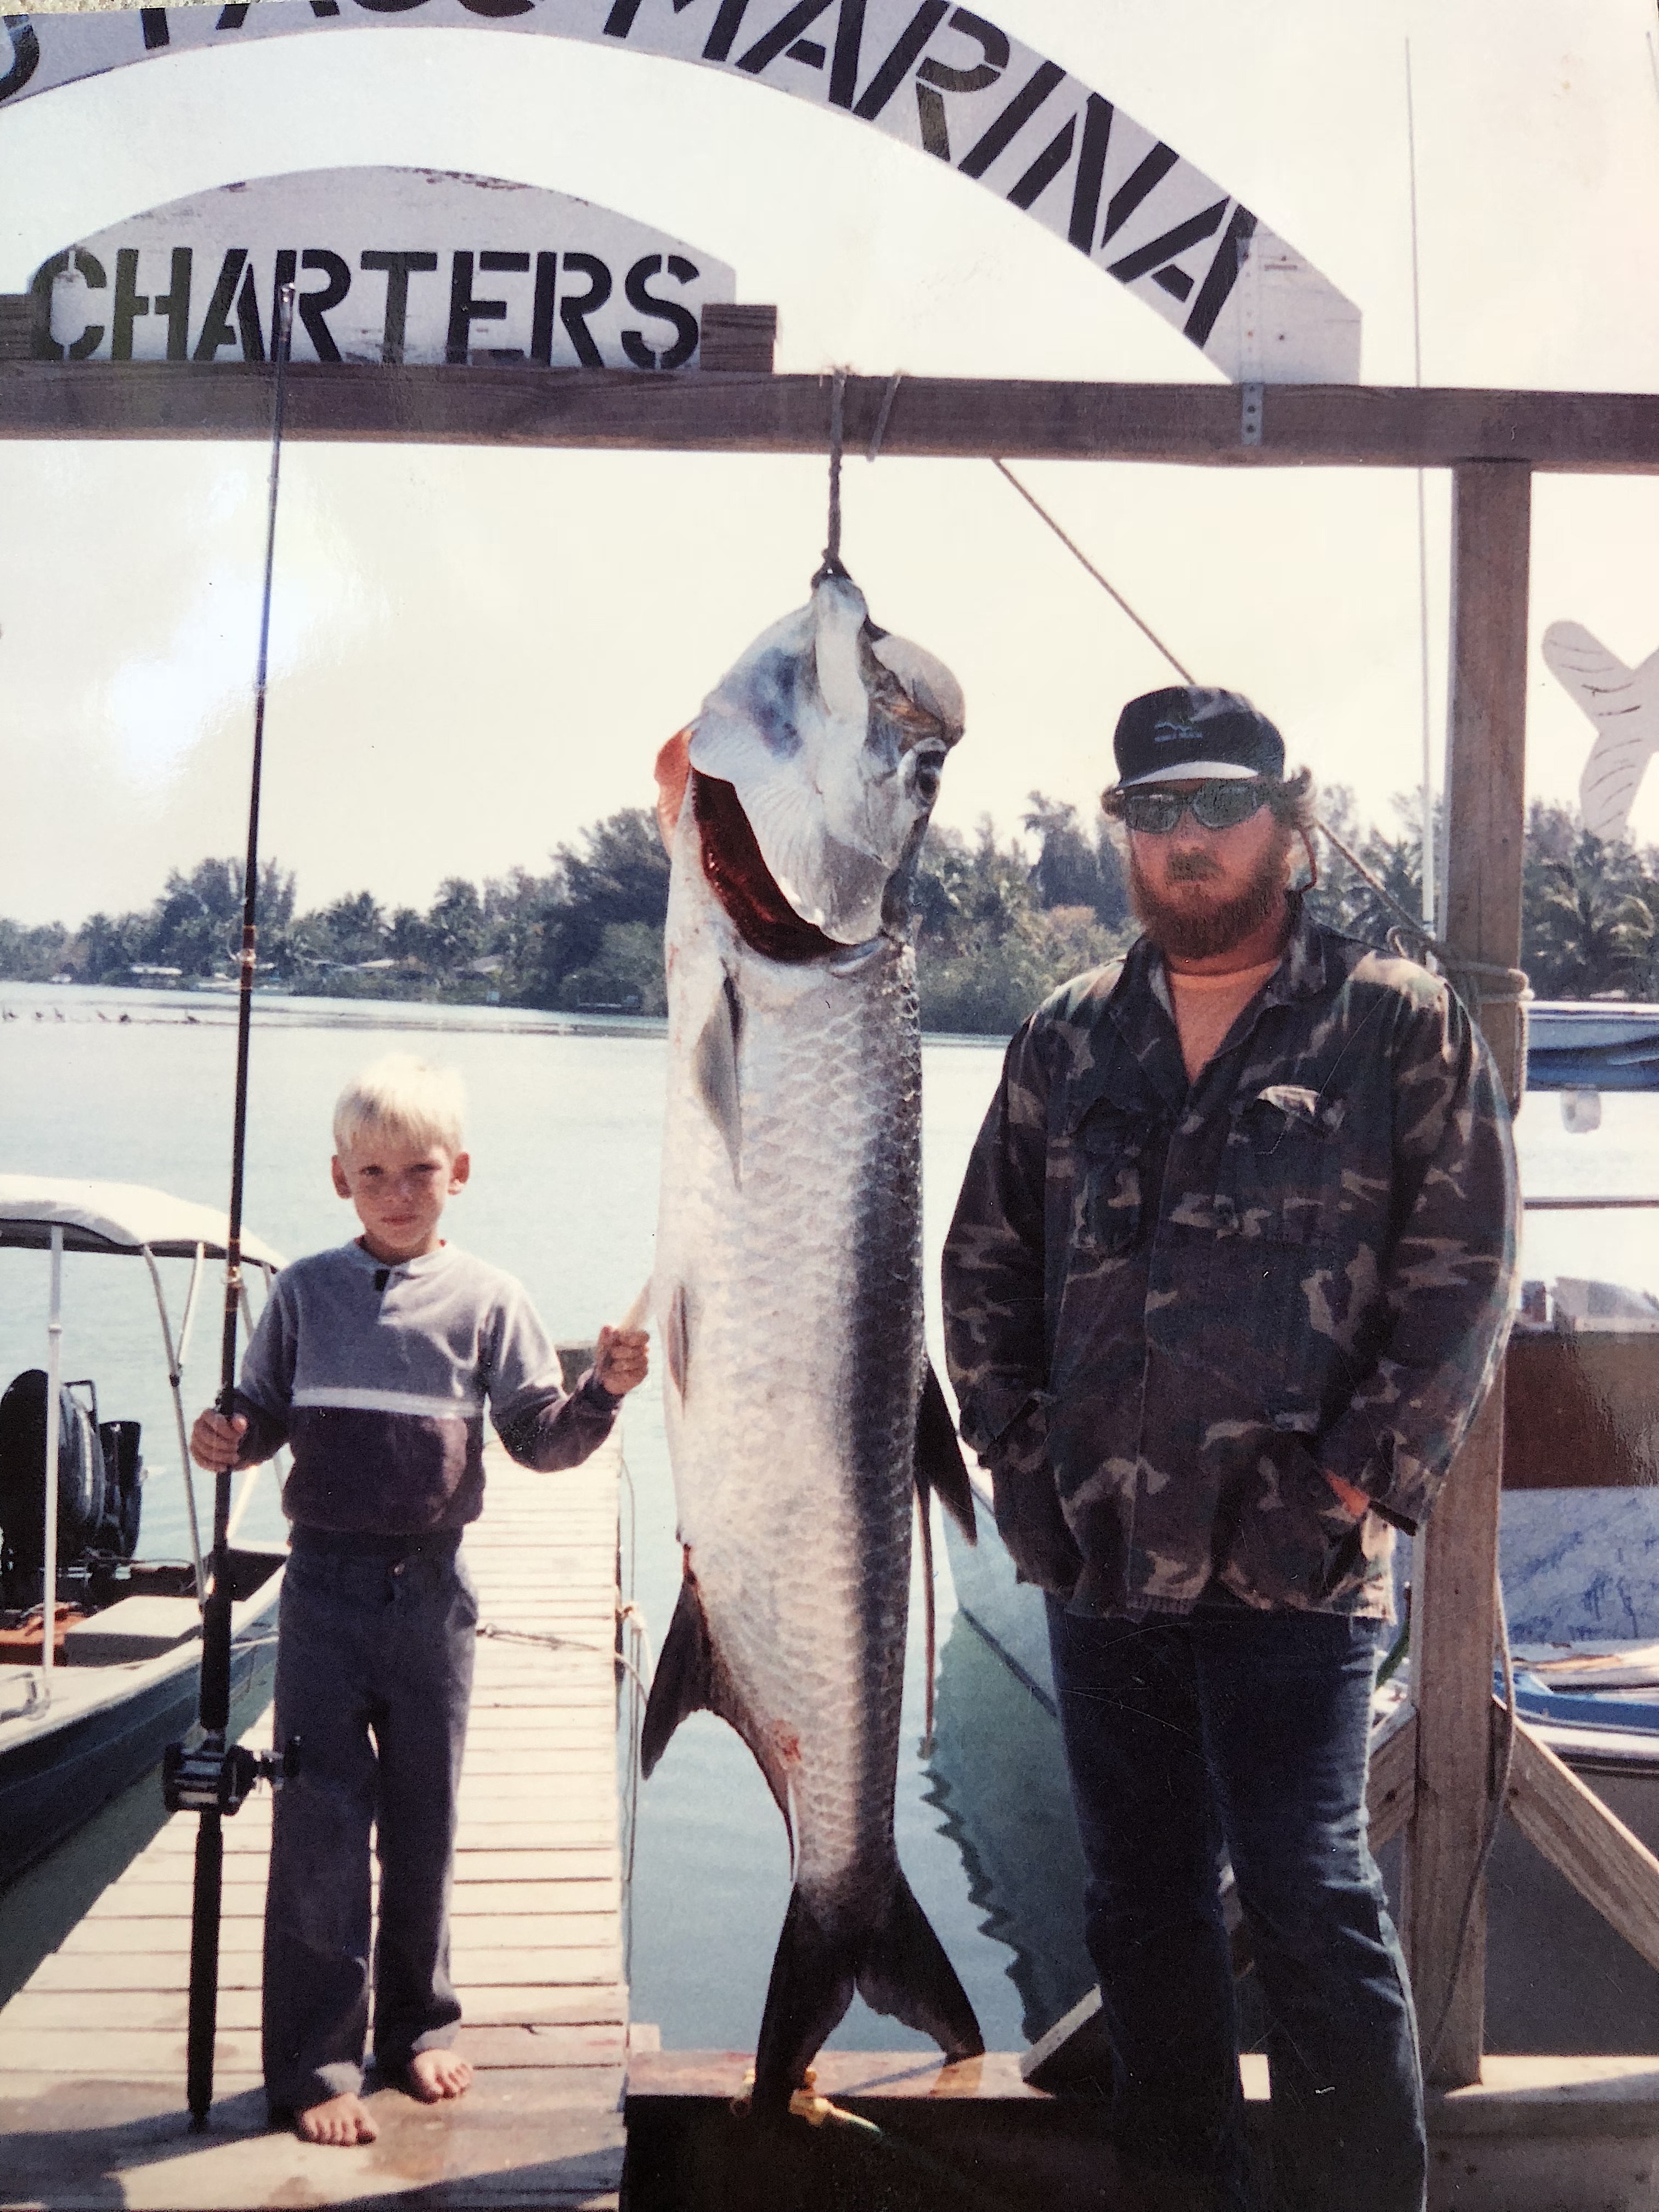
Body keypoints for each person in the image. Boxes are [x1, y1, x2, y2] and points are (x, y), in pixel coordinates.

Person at [941, 687, 1517, 2212]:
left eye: (1217, 805)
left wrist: (1357, 1478)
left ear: (1288, 818)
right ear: (1124, 834)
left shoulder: (1394, 1021)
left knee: (1308, 1895)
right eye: (1155, 812)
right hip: (1102, 1554)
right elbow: (984, 1263)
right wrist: (1019, 1458)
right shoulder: (1068, 1034)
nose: (1185, 840)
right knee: (1139, 1905)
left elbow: (1465, 1274)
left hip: (1294, 1561)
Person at [190, 1053, 648, 2147]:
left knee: (425, 1821)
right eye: (374, 1173)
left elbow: (540, 1440)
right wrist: (227, 1434)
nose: (397, 1193)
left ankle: (418, 2028)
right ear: (340, 1178)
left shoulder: (492, 1300)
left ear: (461, 1173)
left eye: (420, 1171)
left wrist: (604, 1391)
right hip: (321, 1591)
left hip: (434, 1595)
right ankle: (314, 2065)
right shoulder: (303, 1292)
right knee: (318, 1825)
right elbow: (257, 1412)